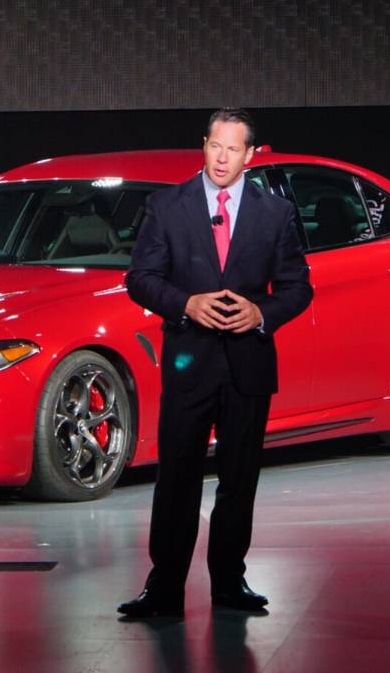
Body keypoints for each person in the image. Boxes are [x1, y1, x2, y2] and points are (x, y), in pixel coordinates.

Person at [118, 107, 314, 618]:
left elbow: (298, 288)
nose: (222, 157)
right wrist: (187, 304)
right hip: (189, 360)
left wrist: (260, 313)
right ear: (203, 145)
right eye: (214, 146)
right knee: (177, 476)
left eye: (233, 149)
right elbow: (139, 277)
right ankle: (164, 588)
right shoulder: (167, 206)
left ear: (250, 154)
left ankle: (230, 582)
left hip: (248, 363)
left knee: (239, 478)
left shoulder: (276, 213)